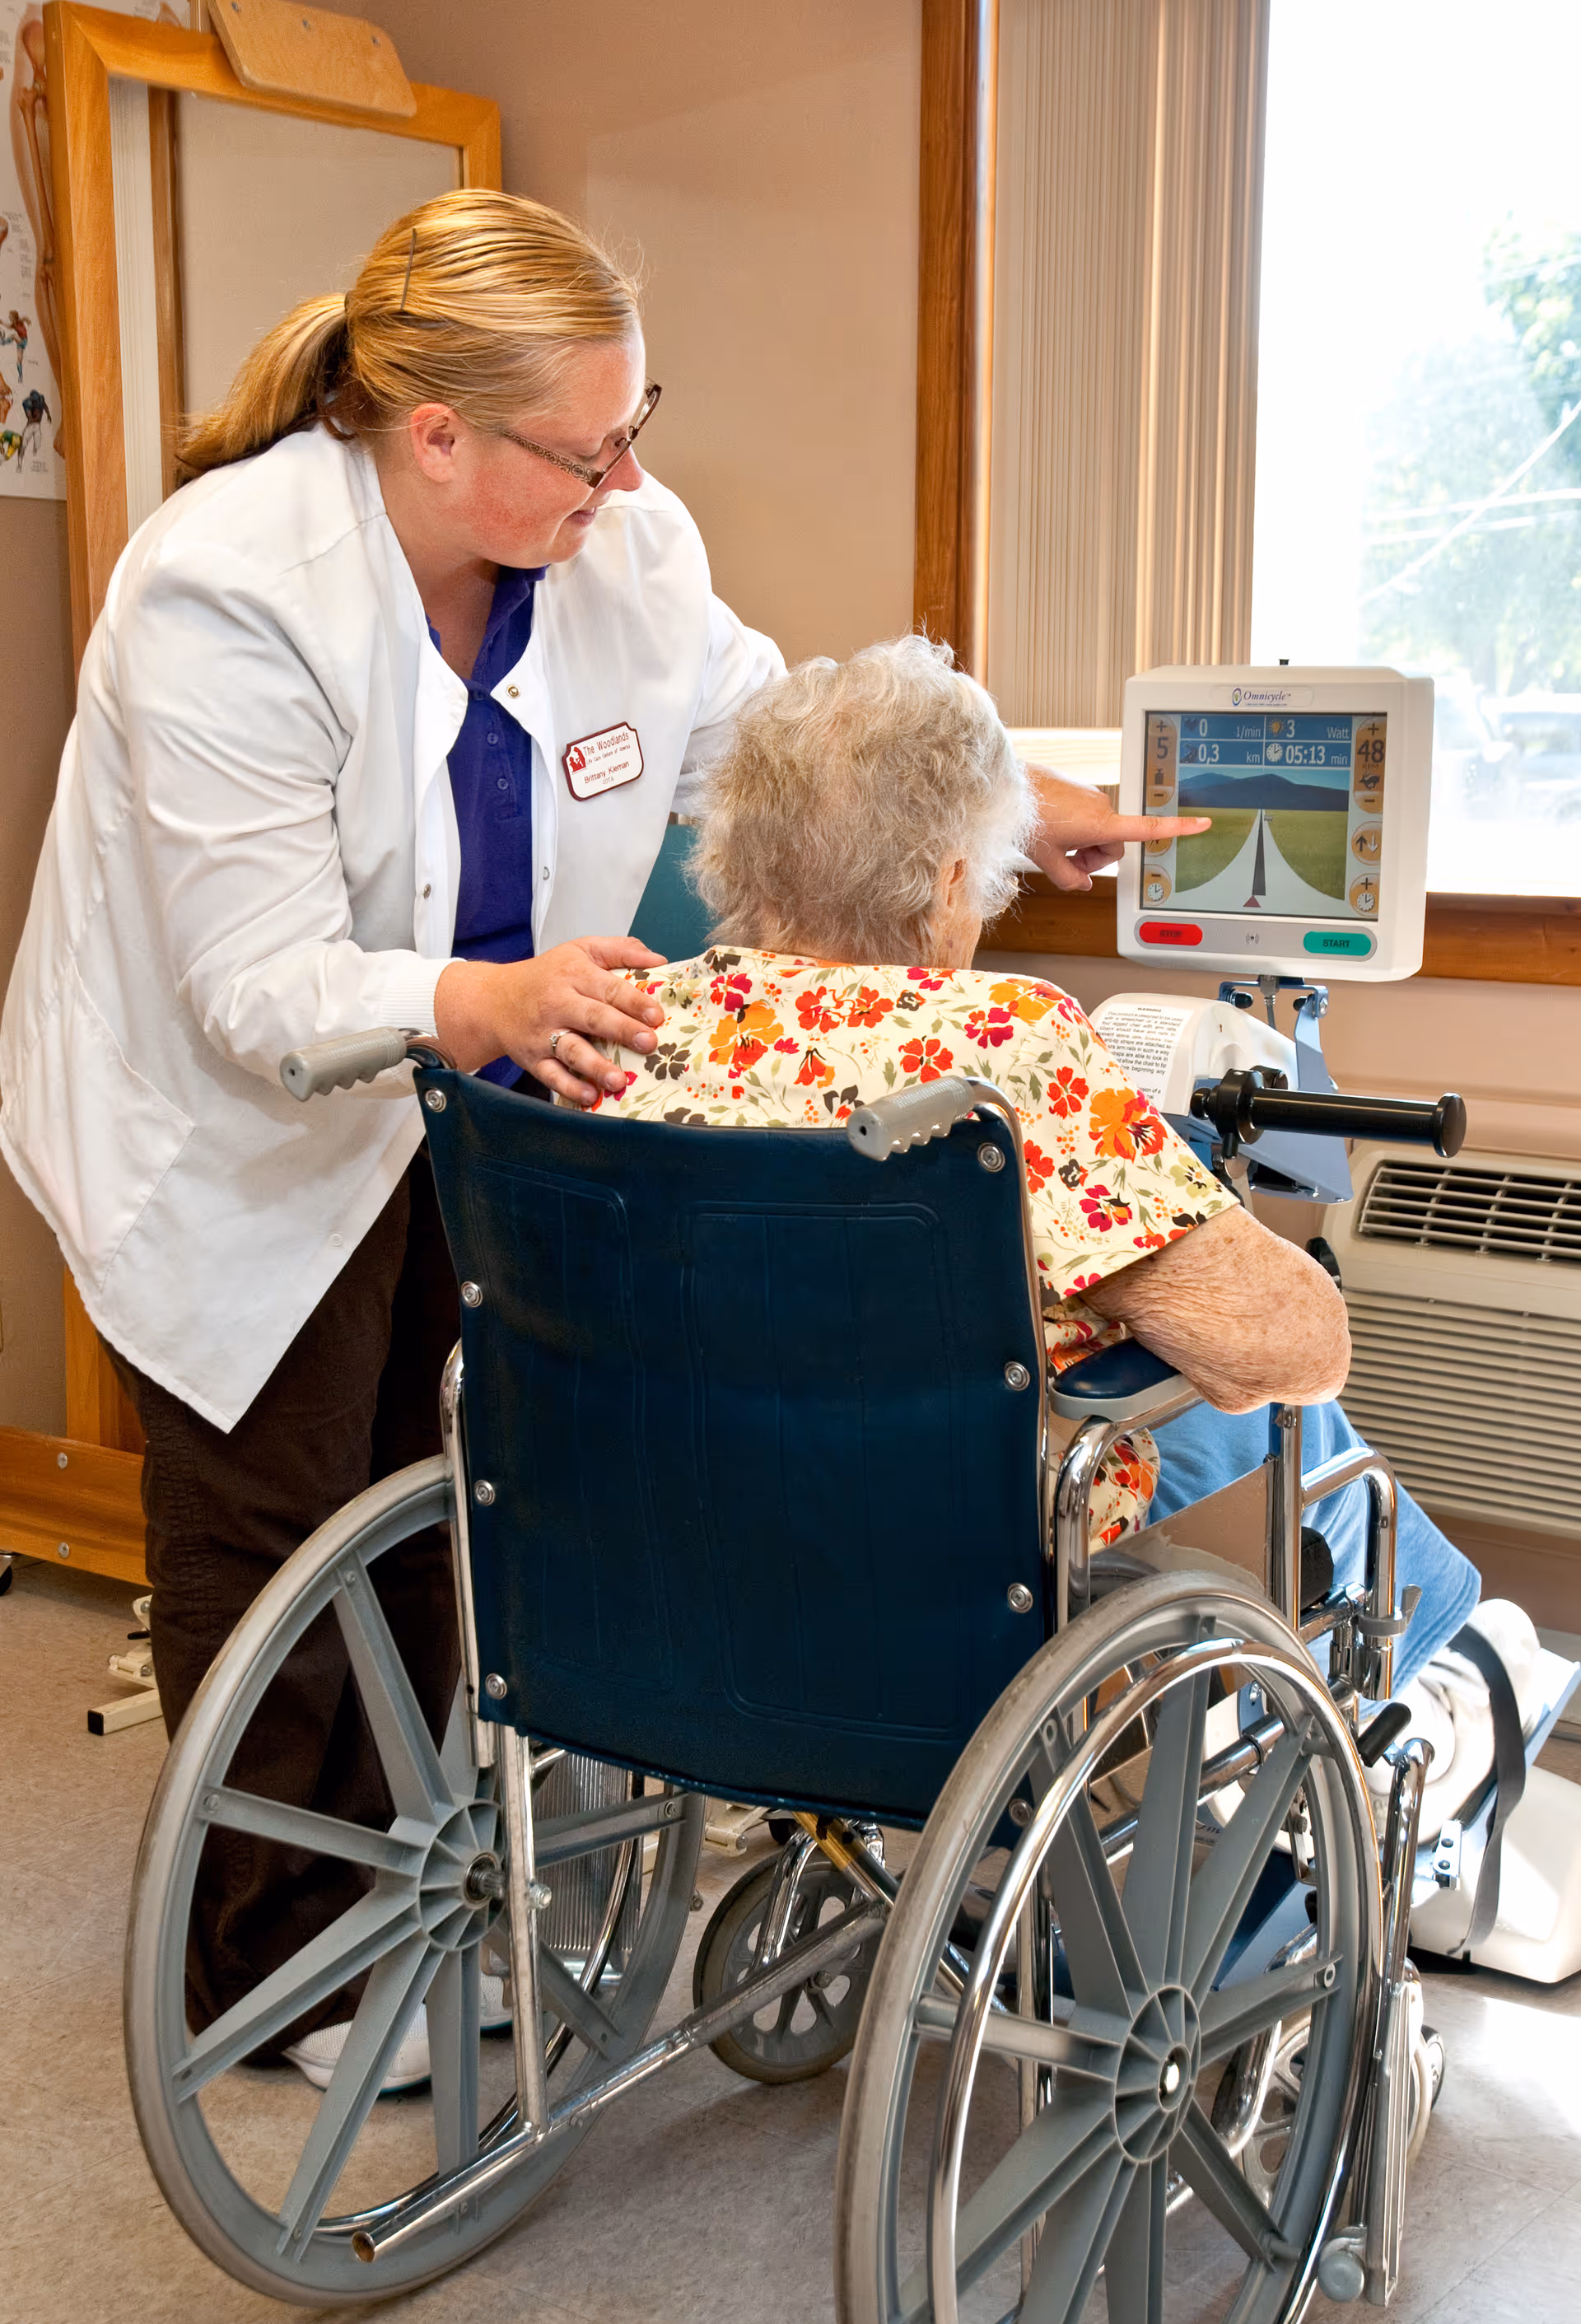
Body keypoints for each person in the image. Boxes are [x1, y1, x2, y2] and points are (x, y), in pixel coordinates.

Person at [0, 199, 1206, 2084]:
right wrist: (475, 1005)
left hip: (471, 1098)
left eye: (639, 425)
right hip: (232, 1119)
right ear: (437, 439)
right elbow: (255, 989)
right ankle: (271, 1970)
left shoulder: (622, 547)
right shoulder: (220, 593)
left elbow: (767, 732)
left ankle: (397, 1893)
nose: (629, 476)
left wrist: (1006, 808)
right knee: (277, 1512)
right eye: (589, 446)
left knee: (429, 1483)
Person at [585, 634, 1482, 1652]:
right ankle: (1448, 1661)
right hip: (944, 1538)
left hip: (687, 1509)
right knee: (1283, 1414)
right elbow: (1300, 1345)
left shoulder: (631, 1018)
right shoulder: (1004, 1042)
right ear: (948, 881)